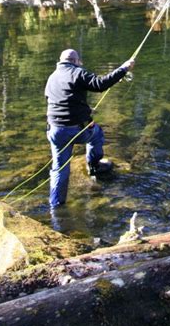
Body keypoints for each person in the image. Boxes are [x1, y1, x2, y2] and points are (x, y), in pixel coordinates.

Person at [45, 48, 135, 207]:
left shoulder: (52, 77)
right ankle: (94, 166)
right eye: (80, 62)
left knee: (59, 169)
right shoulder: (77, 72)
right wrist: (124, 68)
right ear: (75, 61)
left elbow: (60, 101)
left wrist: (85, 110)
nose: (81, 64)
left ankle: (56, 206)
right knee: (97, 133)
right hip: (74, 130)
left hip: (54, 130)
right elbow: (100, 84)